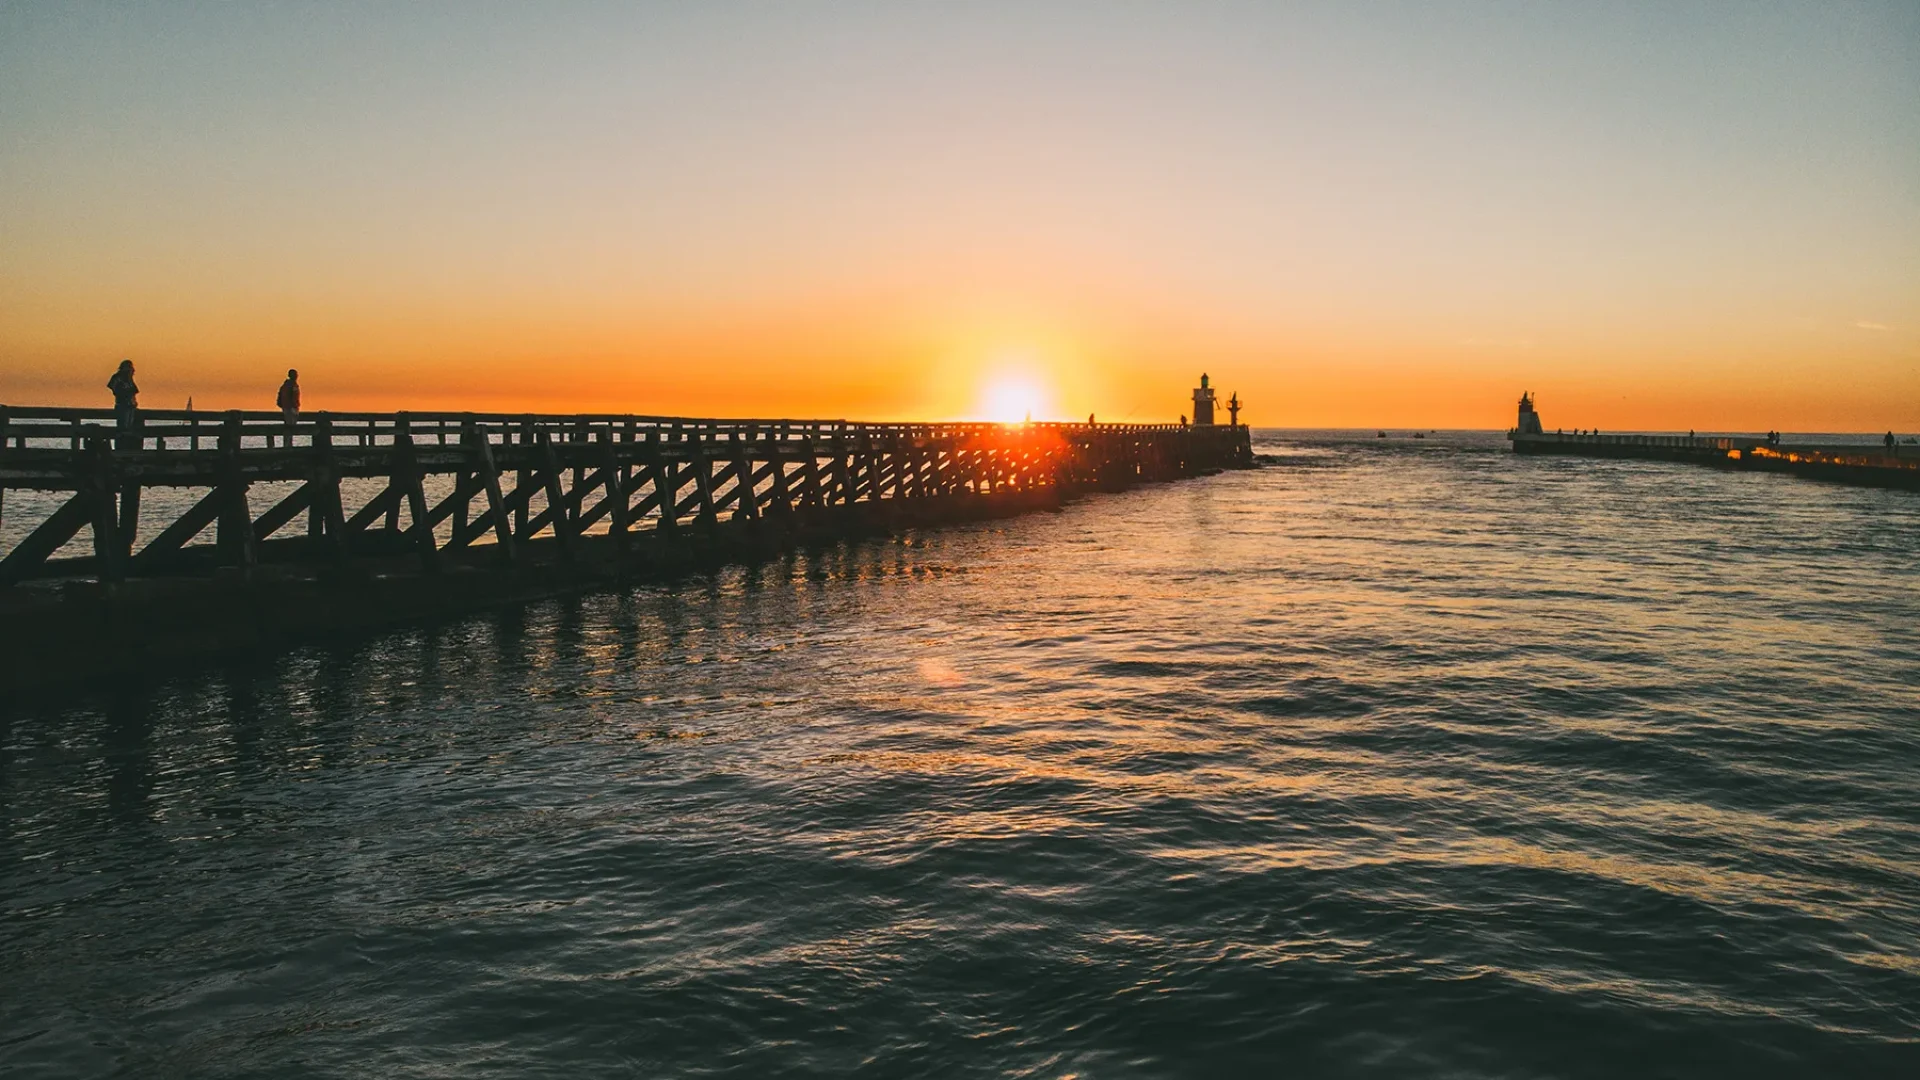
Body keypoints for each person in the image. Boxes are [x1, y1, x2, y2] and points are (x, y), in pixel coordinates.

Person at [107, 359, 138, 431]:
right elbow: (113, 388)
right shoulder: (118, 378)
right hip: (122, 406)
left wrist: (134, 403)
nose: (132, 370)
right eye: (130, 368)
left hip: (131, 407)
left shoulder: (129, 379)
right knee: (123, 428)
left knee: (130, 428)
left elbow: (133, 392)